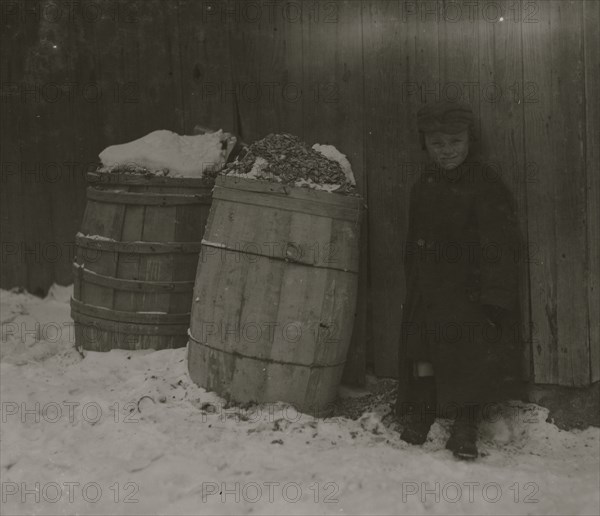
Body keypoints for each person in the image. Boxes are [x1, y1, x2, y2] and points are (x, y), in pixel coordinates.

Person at [395, 100, 523, 460]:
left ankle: (465, 427)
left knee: (467, 355)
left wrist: (494, 296)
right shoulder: (424, 184)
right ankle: (421, 412)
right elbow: (413, 240)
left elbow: (500, 243)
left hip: (469, 291)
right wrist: (416, 284)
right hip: (428, 289)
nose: (447, 151)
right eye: (437, 144)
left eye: (454, 142)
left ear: (470, 140)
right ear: (426, 145)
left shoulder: (485, 183)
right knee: (423, 353)